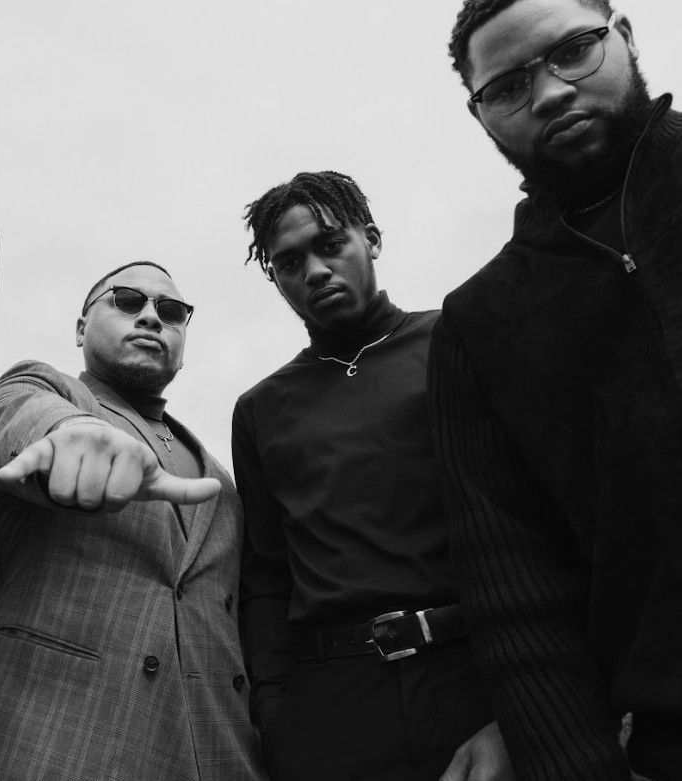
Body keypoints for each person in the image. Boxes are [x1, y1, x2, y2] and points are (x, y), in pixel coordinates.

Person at [433, 1, 682, 778]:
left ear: (625, 37)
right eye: (507, 87)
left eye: (573, 50)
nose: (548, 93)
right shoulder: (477, 325)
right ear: (480, 115)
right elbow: (516, 593)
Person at [233, 171, 510, 781]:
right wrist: (275, 713)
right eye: (289, 262)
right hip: (331, 709)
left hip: (475, 676)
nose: (315, 271)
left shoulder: (455, 342)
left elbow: (534, 521)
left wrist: (518, 709)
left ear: (372, 239)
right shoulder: (260, 408)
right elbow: (267, 572)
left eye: (331, 245)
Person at [0, 261, 266, 780]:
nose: (151, 317)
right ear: (80, 328)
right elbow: (12, 418)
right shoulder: (48, 393)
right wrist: (68, 433)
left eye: (171, 311)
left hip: (220, 752)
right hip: (57, 745)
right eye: (127, 301)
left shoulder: (221, 478)